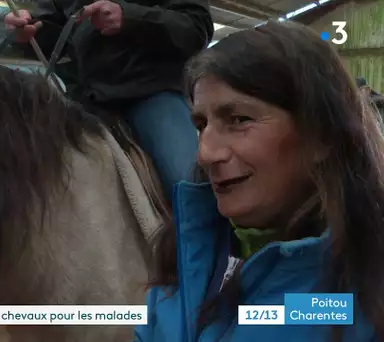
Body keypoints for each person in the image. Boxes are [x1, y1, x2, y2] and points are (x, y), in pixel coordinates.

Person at [134, 21, 383, 341]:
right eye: (200, 124)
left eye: (239, 120)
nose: (204, 155)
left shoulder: (359, 301)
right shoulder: (181, 264)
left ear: (321, 134)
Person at [3, 0, 214, 200]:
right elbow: (55, 29)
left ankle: (207, 238)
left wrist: (130, 18)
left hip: (152, 91)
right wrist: (30, 31)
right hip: (85, 99)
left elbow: (196, 27)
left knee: (186, 179)